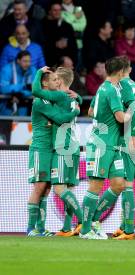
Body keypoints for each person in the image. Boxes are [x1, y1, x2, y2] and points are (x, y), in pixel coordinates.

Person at [80, 56, 130, 240]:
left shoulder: (103, 88)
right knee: (95, 186)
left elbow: (91, 111)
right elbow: (120, 117)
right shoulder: (111, 90)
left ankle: (92, 221)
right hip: (102, 144)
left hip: (112, 144)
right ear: (120, 72)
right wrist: (134, 112)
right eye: (126, 71)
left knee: (118, 185)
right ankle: (85, 230)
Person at [26, 68, 80, 237]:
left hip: (52, 149)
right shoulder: (40, 102)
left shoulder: (54, 100)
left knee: (47, 189)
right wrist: (76, 111)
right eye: (54, 79)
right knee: (39, 187)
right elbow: (61, 118)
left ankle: (41, 228)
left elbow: (67, 100)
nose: (58, 82)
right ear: (45, 83)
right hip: (40, 149)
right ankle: (30, 228)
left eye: (58, 79)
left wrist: (76, 96)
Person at [105, 59, 135, 240]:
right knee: (126, 183)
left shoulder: (120, 86)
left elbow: (133, 112)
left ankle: (129, 229)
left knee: (126, 184)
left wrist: (132, 134)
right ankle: (124, 226)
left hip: (130, 137)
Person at [0, 50, 36, 115]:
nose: (28, 64)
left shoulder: (33, 70)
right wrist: (24, 86)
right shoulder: (7, 69)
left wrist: (20, 94)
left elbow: (35, 89)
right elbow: (3, 88)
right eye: (25, 61)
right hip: (6, 107)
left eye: (29, 61)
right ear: (18, 61)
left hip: (24, 107)